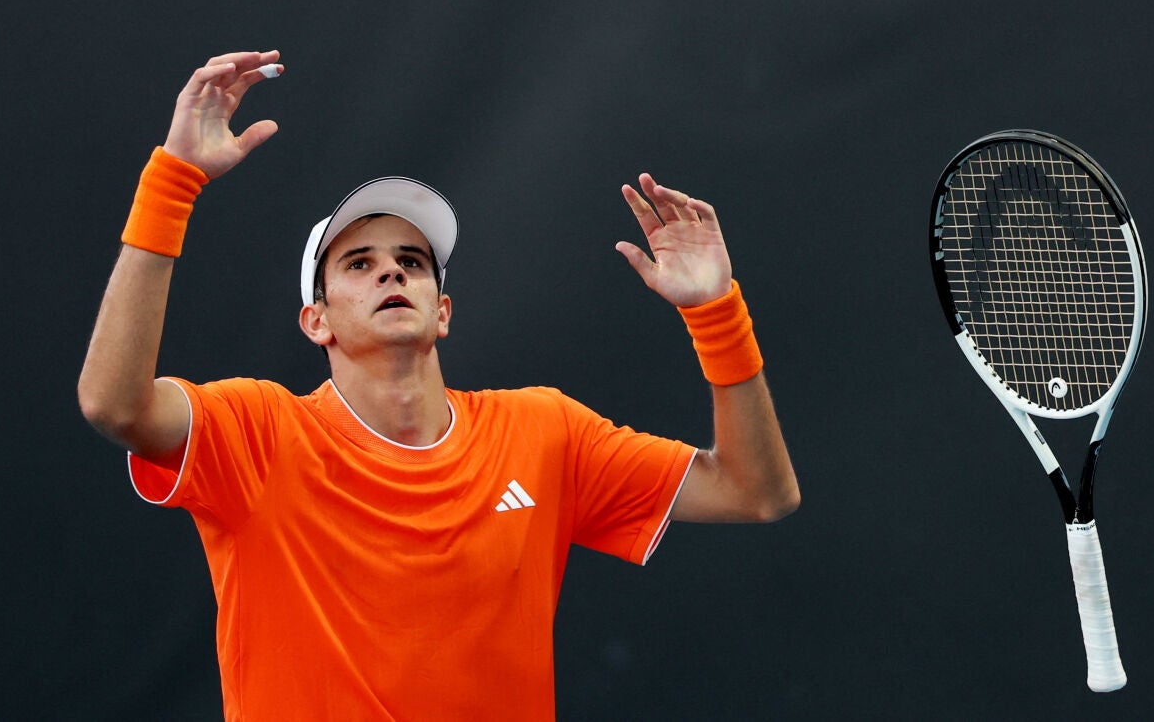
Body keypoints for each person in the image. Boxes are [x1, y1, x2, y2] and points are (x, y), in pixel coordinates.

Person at [78, 50, 799, 721]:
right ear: (315, 321)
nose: (391, 272)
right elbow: (113, 403)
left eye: (411, 262)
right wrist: (174, 179)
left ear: (443, 311)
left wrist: (715, 313)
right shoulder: (257, 431)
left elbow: (756, 491)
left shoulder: (543, 430)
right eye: (358, 263)